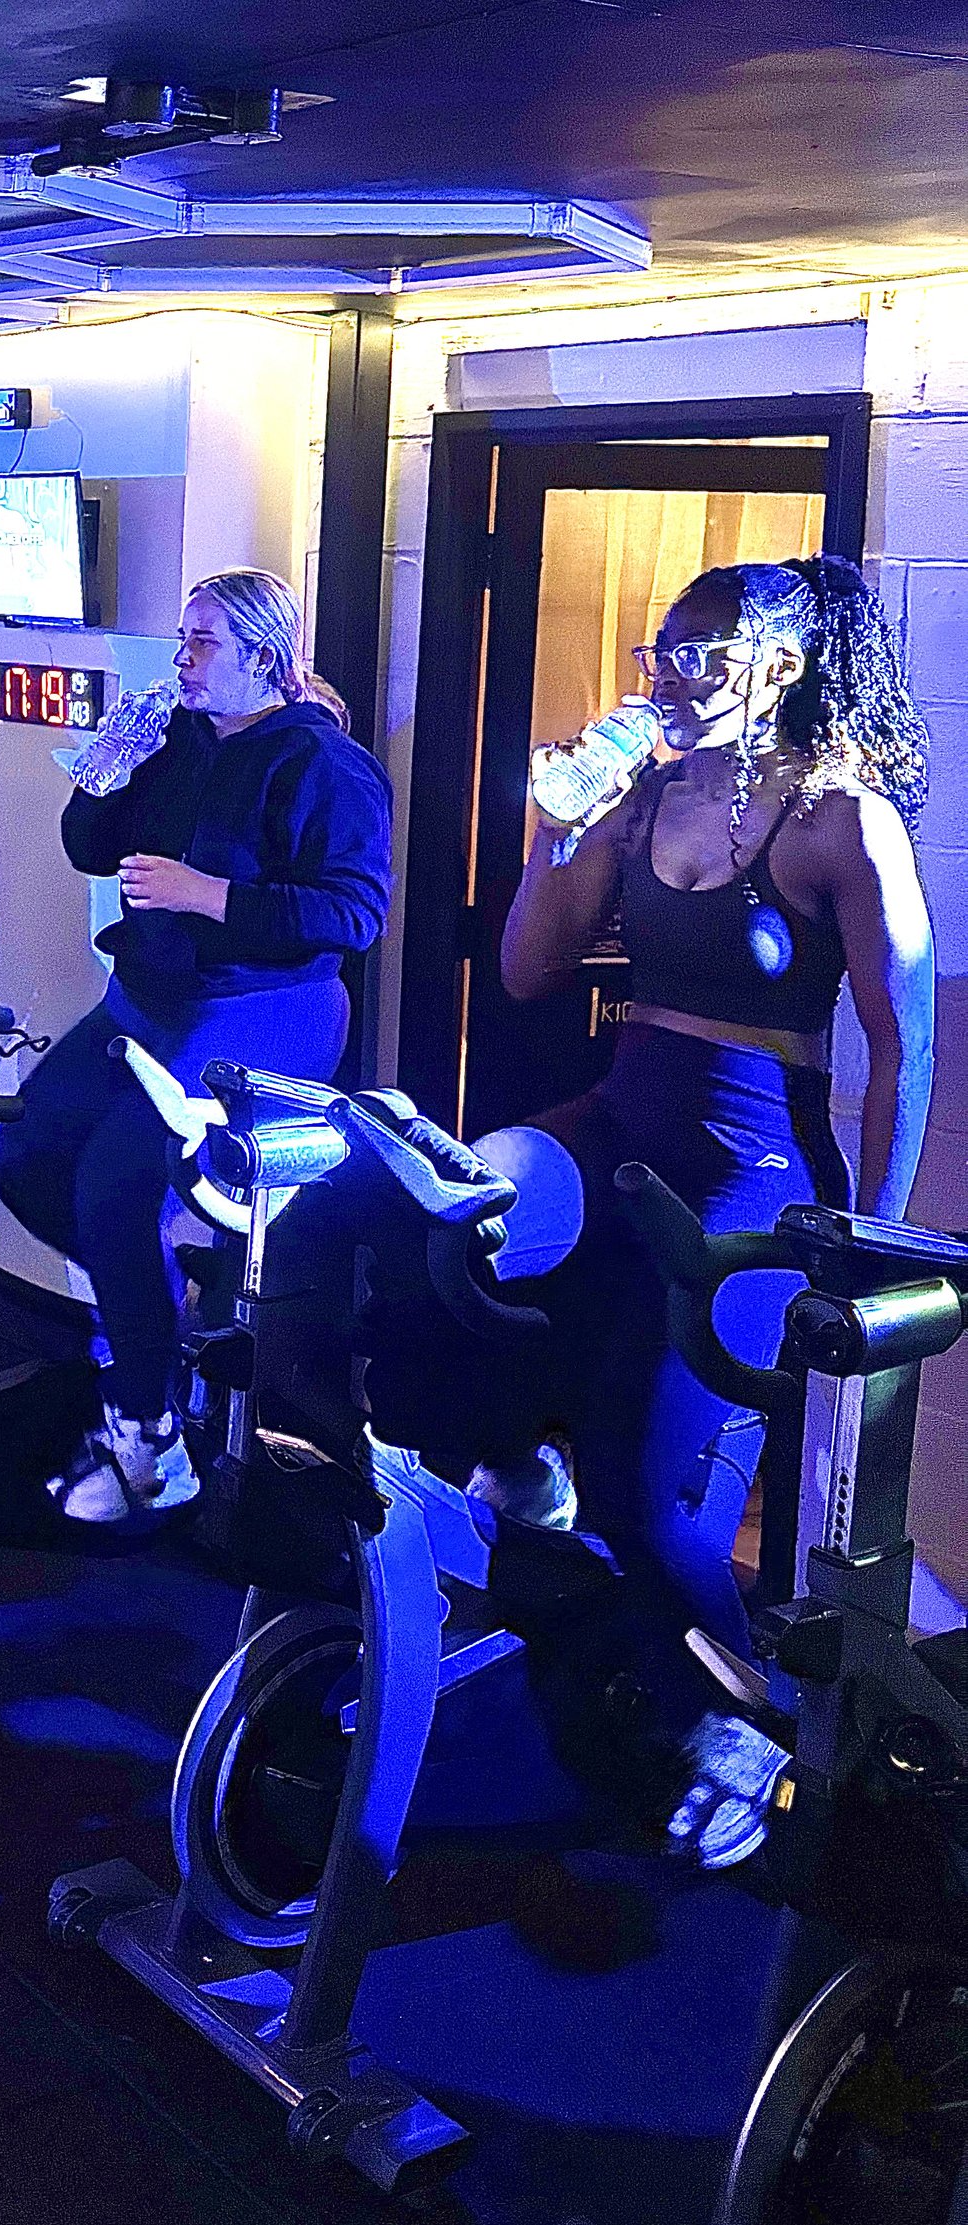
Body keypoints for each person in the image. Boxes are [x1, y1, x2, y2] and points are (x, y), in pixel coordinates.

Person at [500, 555, 933, 1862]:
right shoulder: (642, 800)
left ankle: (750, 1737)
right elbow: (528, 971)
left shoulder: (839, 819)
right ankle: (524, 1480)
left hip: (750, 1172)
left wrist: (869, 1240)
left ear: (782, 668)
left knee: (665, 1506)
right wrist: (556, 832)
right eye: (660, 653)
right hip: (624, 1121)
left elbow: (901, 1044)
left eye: (698, 654)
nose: (668, 680)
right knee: (440, 1212)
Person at [0, 569, 392, 1522]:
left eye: (202, 641)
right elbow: (93, 848)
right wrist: (102, 776)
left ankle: (149, 1429)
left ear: (265, 656)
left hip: (257, 1011)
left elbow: (355, 912)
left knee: (111, 1186)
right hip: (147, 998)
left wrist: (207, 895)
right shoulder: (176, 739)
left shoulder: (323, 763)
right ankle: (161, 1325)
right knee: (24, 1158)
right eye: (182, 638)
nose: (181, 659)